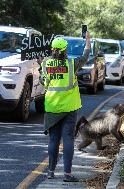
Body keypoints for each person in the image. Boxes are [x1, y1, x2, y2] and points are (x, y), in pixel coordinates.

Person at [40, 32, 91, 182]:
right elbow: (86, 56)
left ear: (53, 49)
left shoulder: (45, 63)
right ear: (65, 50)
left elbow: (44, 83)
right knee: (68, 138)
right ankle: (67, 174)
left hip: (52, 106)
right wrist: (87, 41)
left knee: (53, 140)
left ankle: (50, 172)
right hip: (69, 107)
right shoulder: (71, 63)